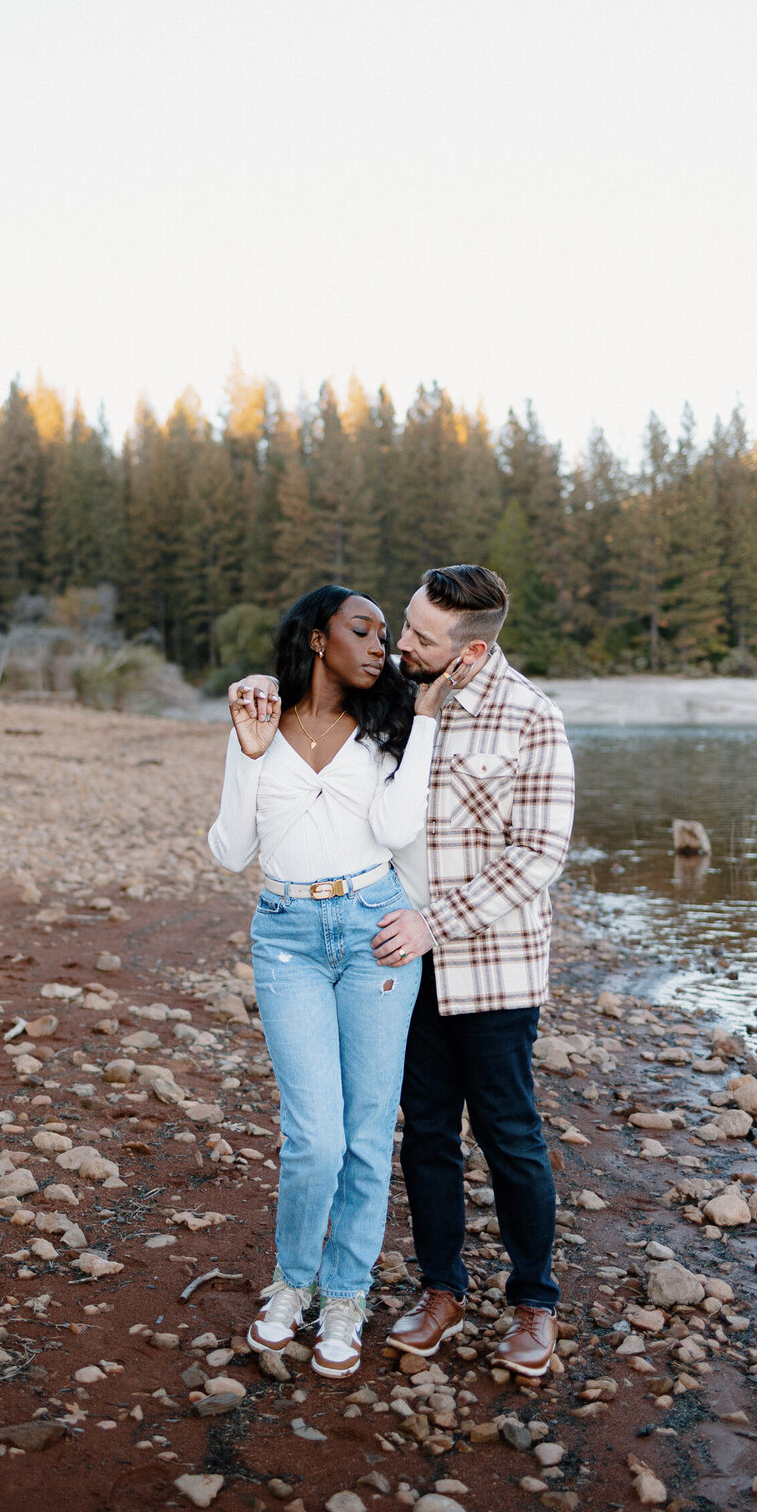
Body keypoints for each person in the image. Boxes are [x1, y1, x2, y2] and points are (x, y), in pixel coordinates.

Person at [234, 565, 575, 1380]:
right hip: (390, 956)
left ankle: (534, 1303)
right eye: (405, 628)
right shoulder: (391, 695)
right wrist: (256, 683)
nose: (402, 646)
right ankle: (441, 1290)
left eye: (420, 636)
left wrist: (435, 922)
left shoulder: (532, 718)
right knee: (423, 1133)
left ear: (472, 649)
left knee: (509, 1135)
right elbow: (307, 692)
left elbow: (540, 853)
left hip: (488, 963)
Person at [208, 585, 464, 1379]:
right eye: (362, 629)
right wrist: (250, 755)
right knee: (312, 1138)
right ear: (318, 639)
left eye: (386, 633)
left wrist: (420, 720)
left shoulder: (387, 725)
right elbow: (230, 850)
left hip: (374, 932)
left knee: (364, 1135)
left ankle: (345, 1294)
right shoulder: (262, 722)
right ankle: (292, 1281)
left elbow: (394, 830)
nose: (379, 644)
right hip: (287, 937)